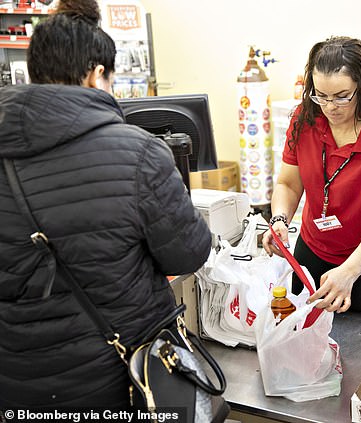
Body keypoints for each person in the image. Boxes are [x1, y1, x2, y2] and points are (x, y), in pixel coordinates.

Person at [0, 0, 212, 410]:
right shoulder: (138, 153)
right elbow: (188, 253)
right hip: (118, 377)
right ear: (98, 75)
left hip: (18, 382)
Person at [262, 36, 361, 314]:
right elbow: (289, 184)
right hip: (312, 247)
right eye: (321, 95)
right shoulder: (305, 119)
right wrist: (279, 219)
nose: (330, 107)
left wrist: (349, 272)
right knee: (303, 331)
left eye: (341, 96)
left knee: (360, 347)